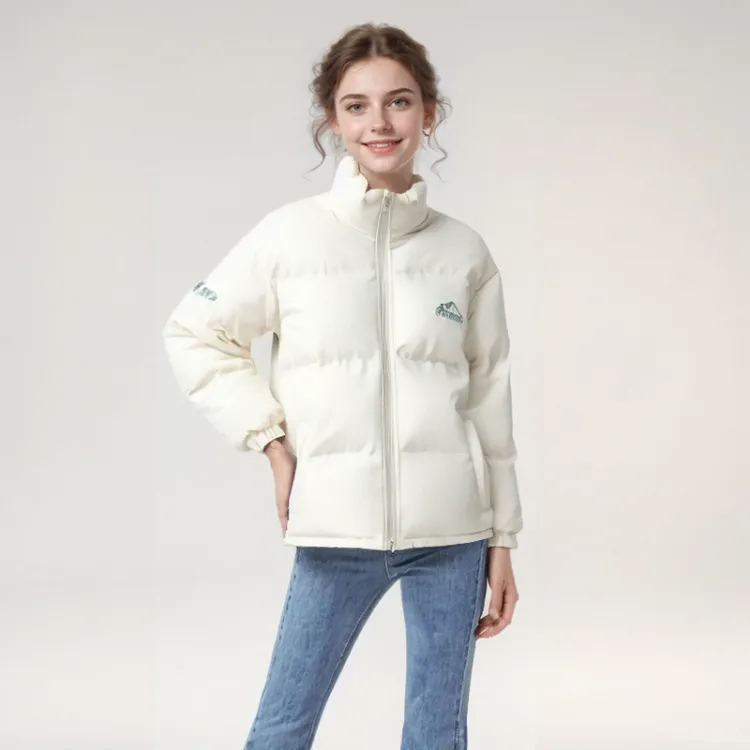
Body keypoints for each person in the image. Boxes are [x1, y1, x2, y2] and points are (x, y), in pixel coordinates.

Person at [162, 22, 523, 750]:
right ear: (333, 118)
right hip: (334, 529)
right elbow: (193, 331)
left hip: (453, 534)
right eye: (357, 106)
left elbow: (489, 401)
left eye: (399, 101)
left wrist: (503, 538)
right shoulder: (287, 237)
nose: (379, 122)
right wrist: (270, 440)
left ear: (429, 112)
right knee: (281, 729)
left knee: (437, 733)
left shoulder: (464, 253)